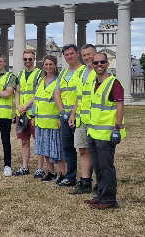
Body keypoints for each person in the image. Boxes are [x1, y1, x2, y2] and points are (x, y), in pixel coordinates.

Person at [85, 52, 125, 210]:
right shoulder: (94, 82)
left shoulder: (113, 83)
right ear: (92, 65)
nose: (99, 65)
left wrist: (117, 128)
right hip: (93, 132)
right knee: (97, 166)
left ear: (107, 64)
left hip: (107, 133)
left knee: (106, 166)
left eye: (102, 62)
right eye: (96, 63)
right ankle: (101, 194)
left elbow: (120, 106)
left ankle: (109, 198)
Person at [30, 55, 66, 182]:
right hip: (40, 120)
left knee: (57, 148)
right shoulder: (41, 81)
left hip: (53, 120)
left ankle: (63, 173)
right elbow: (36, 99)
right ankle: (51, 172)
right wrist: (33, 116)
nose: (48, 67)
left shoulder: (59, 81)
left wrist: (60, 118)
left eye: (51, 64)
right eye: (46, 64)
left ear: (55, 65)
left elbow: (61, 100)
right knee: (44, 148)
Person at [56, 44, 87, 187]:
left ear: (77, 53)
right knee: (67, 147)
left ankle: (86, 177)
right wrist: (62, 112)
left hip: (78, 114)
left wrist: (72, 113)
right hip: (64, 114)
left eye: (71, 54)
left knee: (83, 148)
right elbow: (57, 94)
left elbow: (81, 95)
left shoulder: (83, 71)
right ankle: (71, 176)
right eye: (66, 55)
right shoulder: (62, 73)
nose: (69, 57)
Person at [69, 44, 97, 194]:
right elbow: (79, 98)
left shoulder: (101, 72)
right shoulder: (81, 73)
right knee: (83, 151)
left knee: (97, 152)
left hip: (95, 119)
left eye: (89, 54)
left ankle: (100, 183)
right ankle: (85, 182)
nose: (87, 58)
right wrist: (73, 114)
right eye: (84, 55)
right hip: (81, 119)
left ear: (95, 54)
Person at [13, 50, 42, 177]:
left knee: (38, 141)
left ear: (34, 59)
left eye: (30, 59)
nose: (28, 61)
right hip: (21, 113)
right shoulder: (19, 74)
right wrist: (18, 106)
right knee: (24, 141)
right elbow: (17, 92)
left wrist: (25, 106)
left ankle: (40, 168)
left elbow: (38, 93)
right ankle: (25, 166)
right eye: (25, 59)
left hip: (34, 112)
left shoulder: (39, 74)